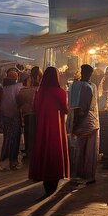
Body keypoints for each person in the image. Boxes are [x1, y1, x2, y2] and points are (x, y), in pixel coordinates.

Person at [29, 67, 69, 199]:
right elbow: (66, 109)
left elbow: (34, 107)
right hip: (56, 127)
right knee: (56, 150)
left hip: (42, 127)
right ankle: (54, 180)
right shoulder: (60, 92)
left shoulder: (39, 92)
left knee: (43, 149)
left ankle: (45, 179)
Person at [69, 65, 100, 184]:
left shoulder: (74, 85)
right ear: (90, 74)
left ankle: (77, 173)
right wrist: (78, 119)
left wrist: (74, 122)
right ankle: (89, 175)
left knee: (79, 147)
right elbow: (85, 107)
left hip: (77, 120)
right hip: (89, 121)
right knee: (90, 150)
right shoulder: (89, 87)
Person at [0, 70, 23, 170]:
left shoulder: (3, 88)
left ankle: (5, 160)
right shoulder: (17, 87)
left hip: (5, 117)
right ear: (15, 78)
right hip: (14, 117)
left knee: (7, 139)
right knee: (15, 139)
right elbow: (19, 102)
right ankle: (12, 161)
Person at [17, 66, 42, 161]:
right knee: (35, 133)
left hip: (28, 113)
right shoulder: (40, 89)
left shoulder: (26, 89)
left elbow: (19, 101)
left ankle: (29, 152)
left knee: (28, 133)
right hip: (36, 114)